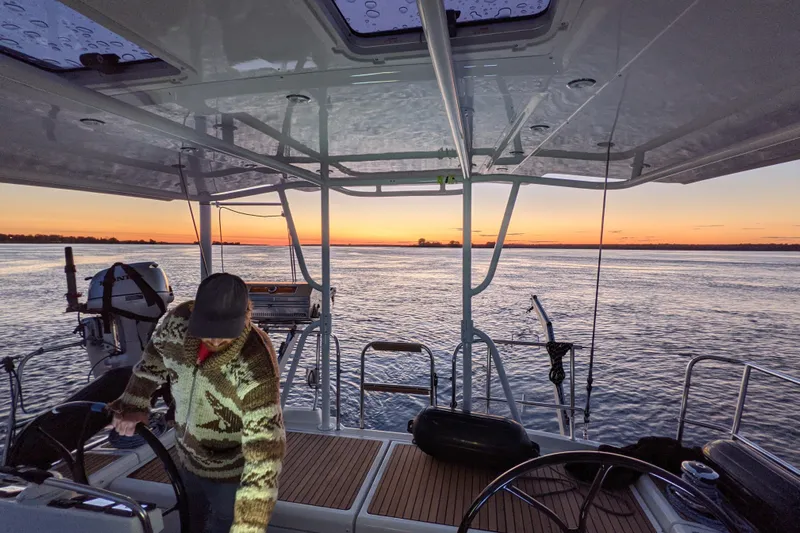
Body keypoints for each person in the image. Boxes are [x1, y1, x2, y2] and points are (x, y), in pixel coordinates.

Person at [109, 273, 285, 533]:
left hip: (230, 471)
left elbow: (265, 453)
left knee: (224, 522)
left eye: (224, 333)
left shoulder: (256, 361)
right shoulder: (178, 320)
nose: (214, 340)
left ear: (245, 317)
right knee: (190, 517)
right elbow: (154, 358)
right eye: (207, 330)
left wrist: (249, 526)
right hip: (185, 455)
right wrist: (134, 404)